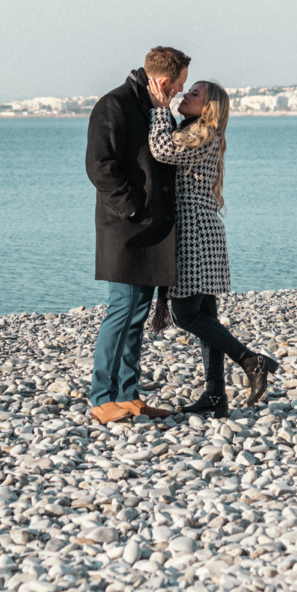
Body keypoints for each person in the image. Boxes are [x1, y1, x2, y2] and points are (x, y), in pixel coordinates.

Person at [147, 77, 278, 417]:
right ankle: (216, 395)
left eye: (195, 94)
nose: (186, 95)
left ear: (209, 108)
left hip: (194, 232)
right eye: (188, 91)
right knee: (206, 317)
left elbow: (163, 149)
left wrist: (160, 110)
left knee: (186, 314)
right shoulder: (198, 131)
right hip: (203, 231)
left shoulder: (205, 133)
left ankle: (251, 360)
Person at [85, 46, 191, 424]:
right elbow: (100, 166)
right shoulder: (114, 105)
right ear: (163, 82)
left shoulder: (151, 107)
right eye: (178, 86)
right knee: (122, 310)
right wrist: (133, 209)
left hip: (150, 230)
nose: (179, 92)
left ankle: (128, 396)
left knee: (136, 315)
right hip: (125, 229)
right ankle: (101, 399)